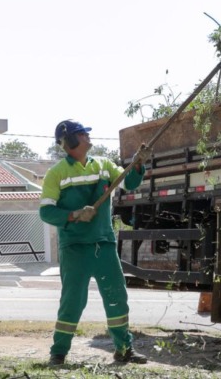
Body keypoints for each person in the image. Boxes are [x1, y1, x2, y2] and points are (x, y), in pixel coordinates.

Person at [39, 119, 151, 367]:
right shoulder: (56, 173)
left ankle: (124, 349)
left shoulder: (102, 165)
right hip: (75, 248)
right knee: (72, 302)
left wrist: (138, 163)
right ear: (69, 141)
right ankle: (58, 353)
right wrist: (74, 215)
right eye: (82, 134)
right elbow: (46, 212)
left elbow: (129, 183)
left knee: (117, 298)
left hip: (104, 245)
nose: (88, 137)